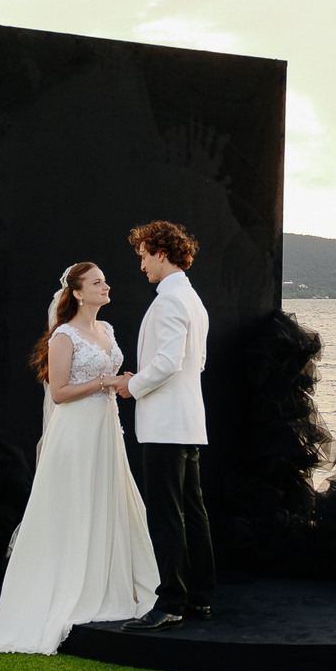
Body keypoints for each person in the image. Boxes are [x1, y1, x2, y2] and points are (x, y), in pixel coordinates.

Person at [0, 261, 160, 654]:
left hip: (106, 428)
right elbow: (59, 392)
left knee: (106, 500)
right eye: (98, 282)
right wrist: (105, 382)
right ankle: (64, 589)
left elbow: (111, 376)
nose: (106, 286)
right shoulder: (64, 335)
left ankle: (106, 582)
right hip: (76, 431)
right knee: (74, 503)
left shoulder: (107, 330)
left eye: (104, 281)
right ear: (78, 292)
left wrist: (121, 381)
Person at [124, 220, 216, 630]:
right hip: (187, 420)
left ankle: (171, 602)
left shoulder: (169, 302)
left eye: (143, 256)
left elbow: (168, 362)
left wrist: (132, 386)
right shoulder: (192, 299)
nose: (141, 265)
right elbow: (196, 363)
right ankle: (199, 598)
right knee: (192, 512)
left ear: (162, 253)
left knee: (167, 515)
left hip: (165, 424)